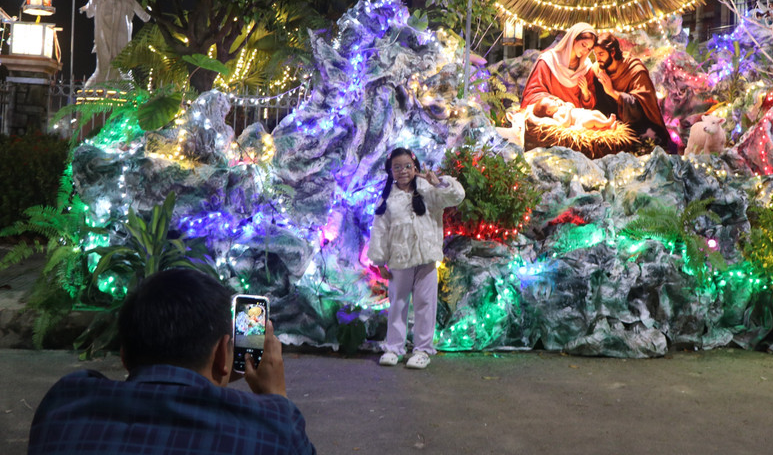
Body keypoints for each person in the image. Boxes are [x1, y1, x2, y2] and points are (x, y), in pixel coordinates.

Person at [28, 269, 316, 455]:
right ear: (221, 354)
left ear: (124, 355)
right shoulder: (270, 429)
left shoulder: (65, 404)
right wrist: (276, 400)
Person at [367, 147, 465, 369]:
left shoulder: (430, 191)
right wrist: (379, 261)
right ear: (390, 171)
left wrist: (437, 182)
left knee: (425, 304)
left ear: (416, 168)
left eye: (407, 166)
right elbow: (380, 230)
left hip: (426, 260)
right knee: (397, 304)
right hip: (399, 261)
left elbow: (456, 196)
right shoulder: (387, 198)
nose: (403, 171)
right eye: (397, 167)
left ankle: (422, 350)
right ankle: (394, 347)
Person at [592, 32, 678, 153]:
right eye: (595, 54)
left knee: (646, 147)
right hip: (612, 122)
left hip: (639, 124)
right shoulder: (598, 69)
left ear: (612, 52)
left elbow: (641, 107)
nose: (597, 58)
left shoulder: (635, 70)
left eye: (601, 54)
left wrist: (612, 92)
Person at [80, 0, 150, 87]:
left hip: (120, 34)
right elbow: (146, 14)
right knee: (107, 63)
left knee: (118, 62)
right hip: (105, 34)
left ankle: (115, 80)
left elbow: (90, 10)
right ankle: (112, 80)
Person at [520, 22, 598, 110]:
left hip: (574, 117)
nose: (585, 51)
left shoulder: (586, 69)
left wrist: (586, 93)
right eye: (583, 45)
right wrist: (553, 102)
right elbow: (532, 94)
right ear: (574, 39)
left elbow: (590, 105)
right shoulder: (548, 61)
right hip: (551, 115)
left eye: (589, 49)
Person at [531, 95, 617, 130]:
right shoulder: (556, 115)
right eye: (552, 102)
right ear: (549, 111)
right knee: (592, 120)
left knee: (596, 112)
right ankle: (607, 124)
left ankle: (609, 125)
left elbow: (571, 105)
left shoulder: (560, 107)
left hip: (585, 113)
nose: (554, 101)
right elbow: (565, 124)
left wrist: (567, 105)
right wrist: (568, 111)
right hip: (581, 122)